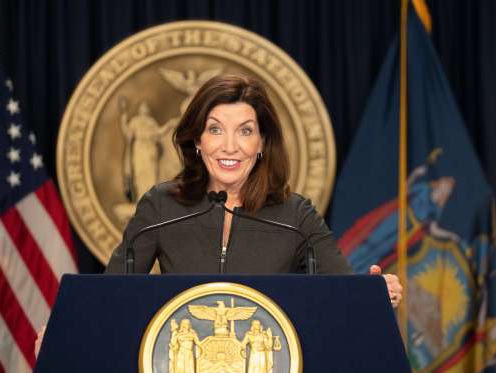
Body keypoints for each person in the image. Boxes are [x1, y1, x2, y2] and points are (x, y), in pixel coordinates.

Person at [104, 74, 403, 304]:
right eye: (215, 129)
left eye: (245, 131)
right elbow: (108, 297)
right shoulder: (162, 205)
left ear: (261, 142)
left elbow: (343, 294)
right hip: (179, 372)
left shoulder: (295, 215)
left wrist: (375, 293)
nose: (230, 147)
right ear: (197, 140)